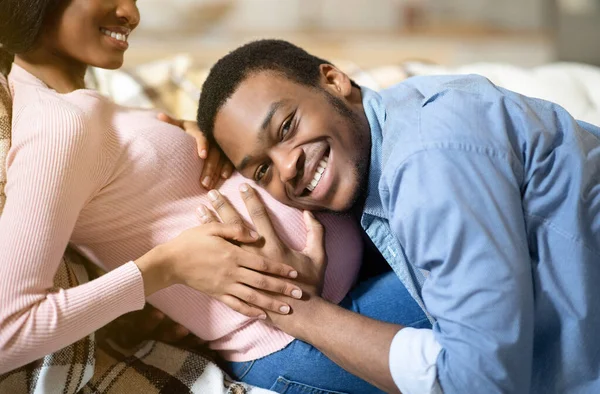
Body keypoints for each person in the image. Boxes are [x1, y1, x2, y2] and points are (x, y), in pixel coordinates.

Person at [0, 3, 432, 393]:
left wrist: (204, 140)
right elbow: (9, 330)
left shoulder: (82, 105)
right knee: (494, 288)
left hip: (350, 282)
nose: (130, 12)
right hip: (302, 340)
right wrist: (166, 267)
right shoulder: (57, 127)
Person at [196, 39, 600, 393]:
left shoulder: (427, 157)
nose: (286, 168)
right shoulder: (393, 135)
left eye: (286, 127)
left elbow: (480, 381)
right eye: (262, 170)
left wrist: (299, 310)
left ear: (335, 81)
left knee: (275, 362)